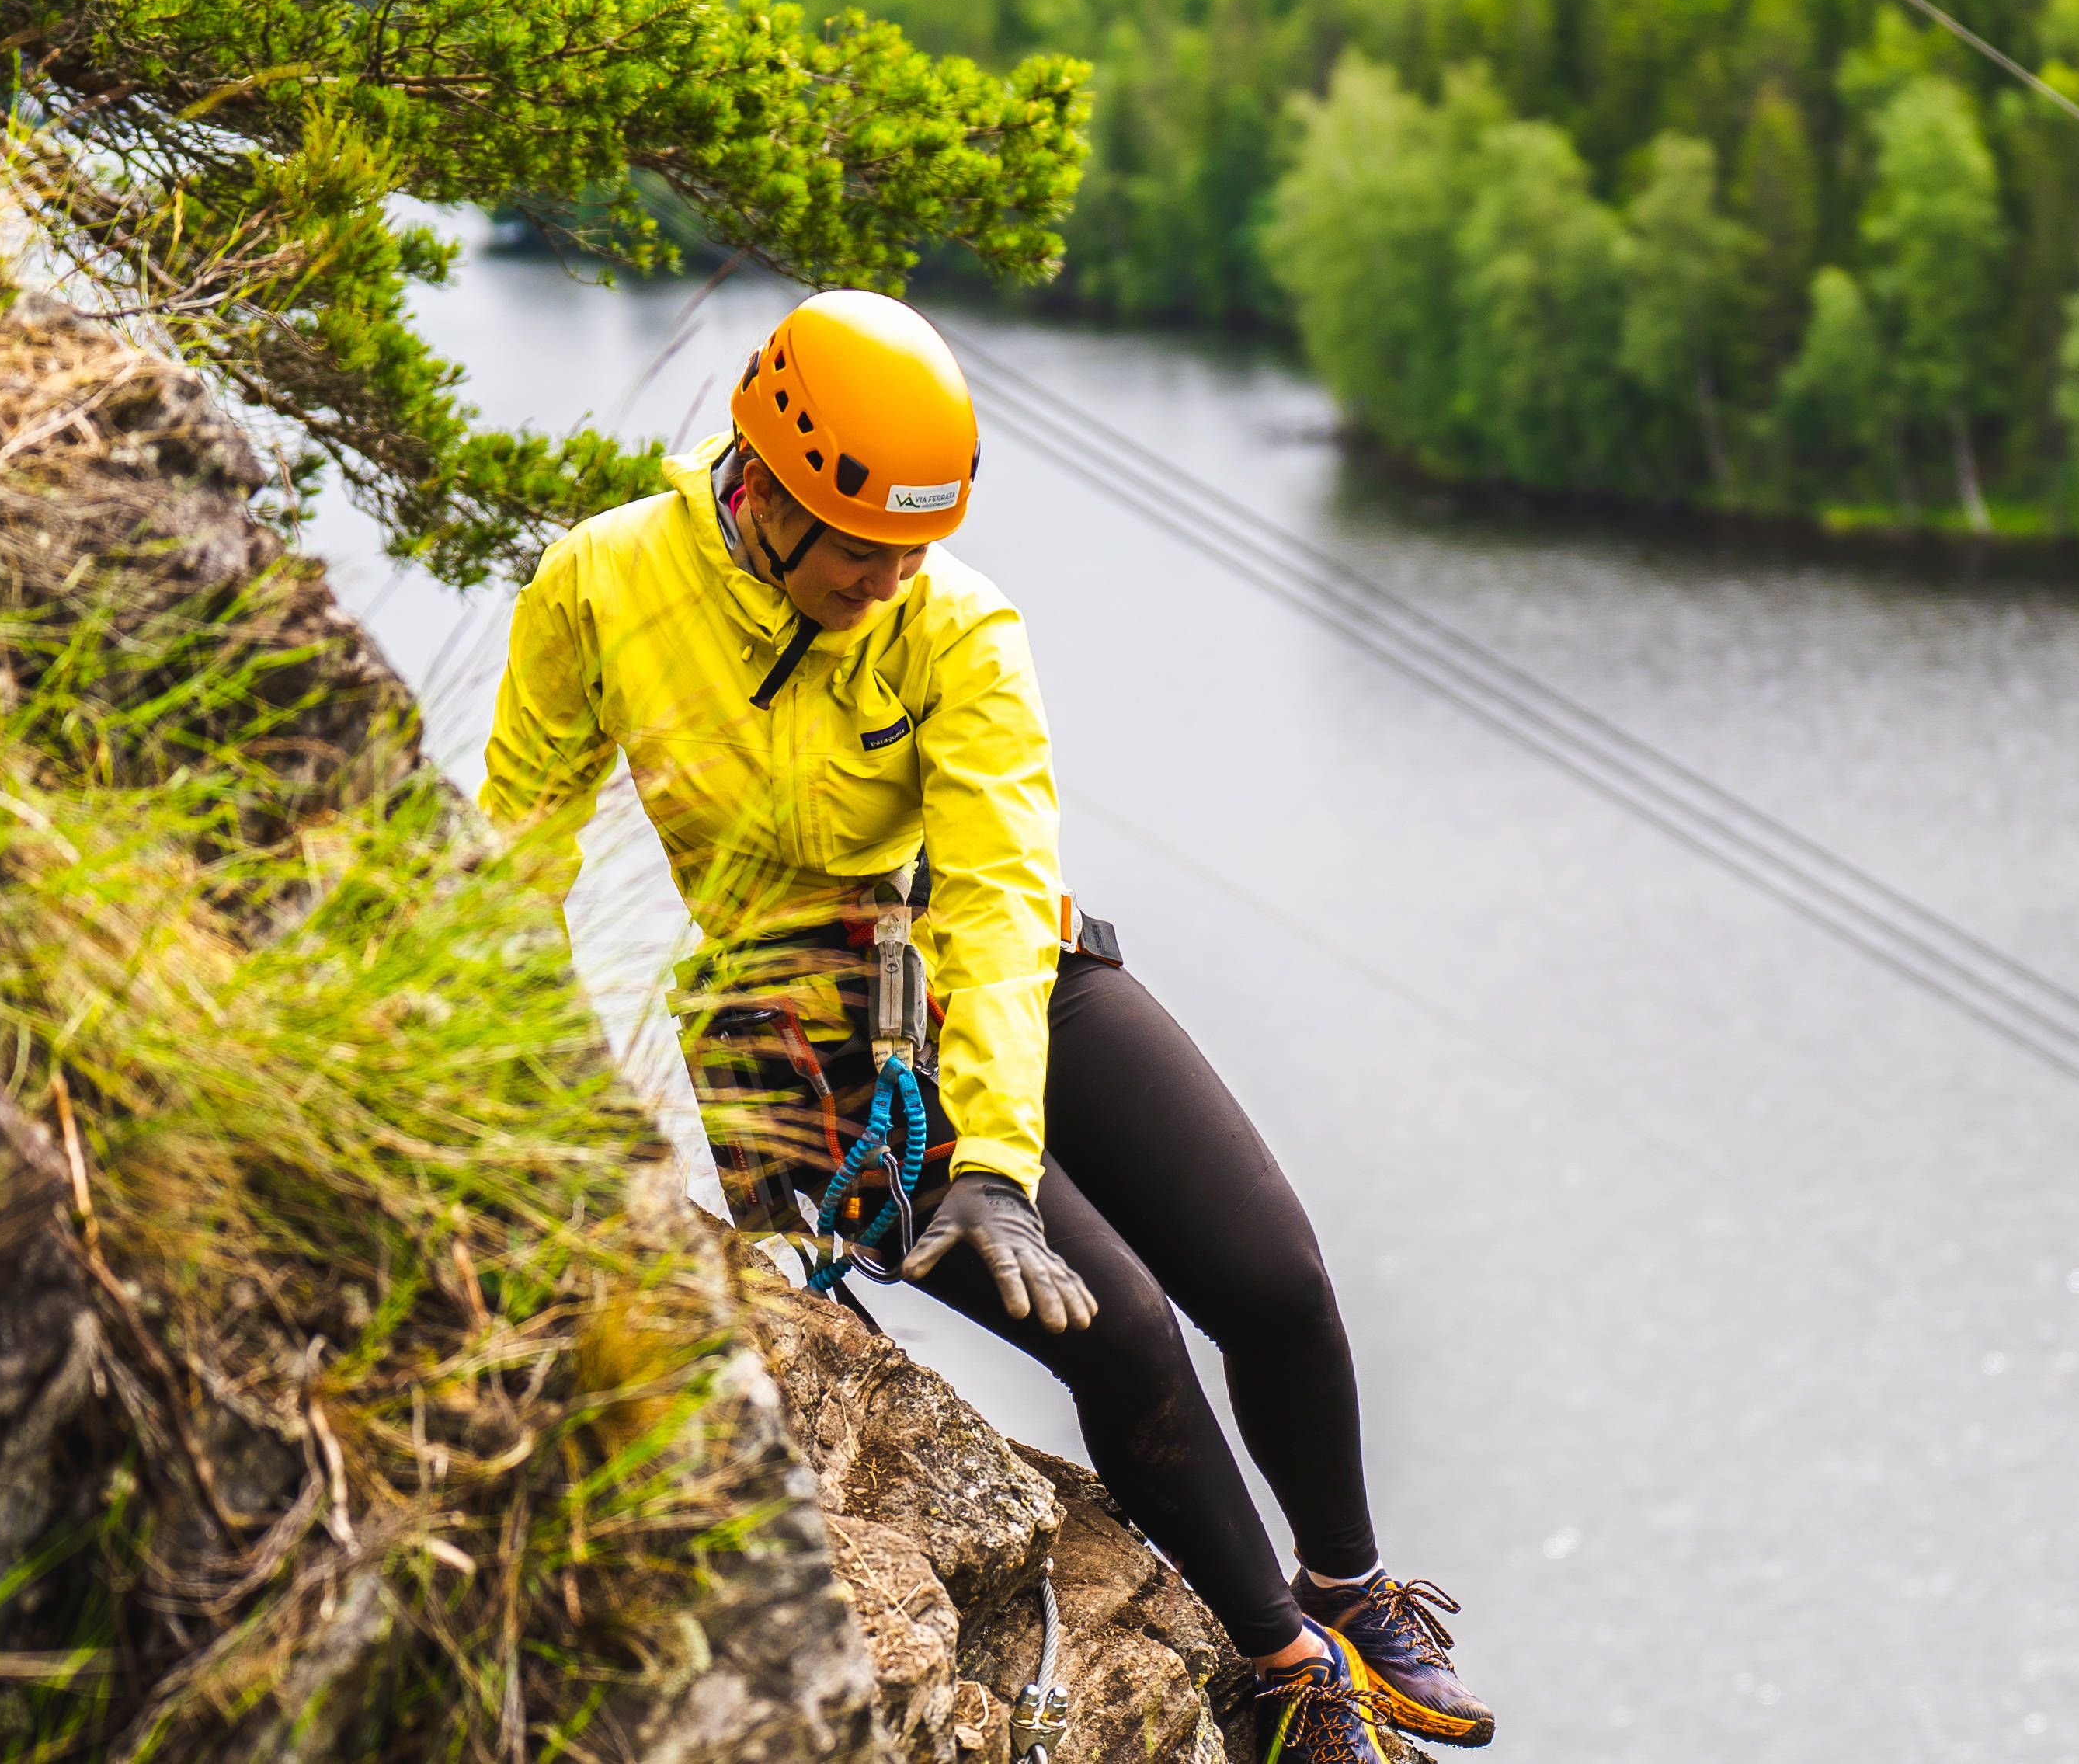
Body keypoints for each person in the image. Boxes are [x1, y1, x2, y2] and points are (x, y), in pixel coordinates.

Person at [482, 290, 1493, 1762]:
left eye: (913, 548)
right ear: (762, 487)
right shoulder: (599, 587)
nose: (889, 579)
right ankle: (1284, 1672)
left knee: (1271, 1274)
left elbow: (1002, 896)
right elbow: (521, 845)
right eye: (859, 550)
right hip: (796, 1037)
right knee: (1125, 1329)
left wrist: (993, 1165)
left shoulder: (956, 625)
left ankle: (1348, 1582)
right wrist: (515, 1094)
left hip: (994, 968)